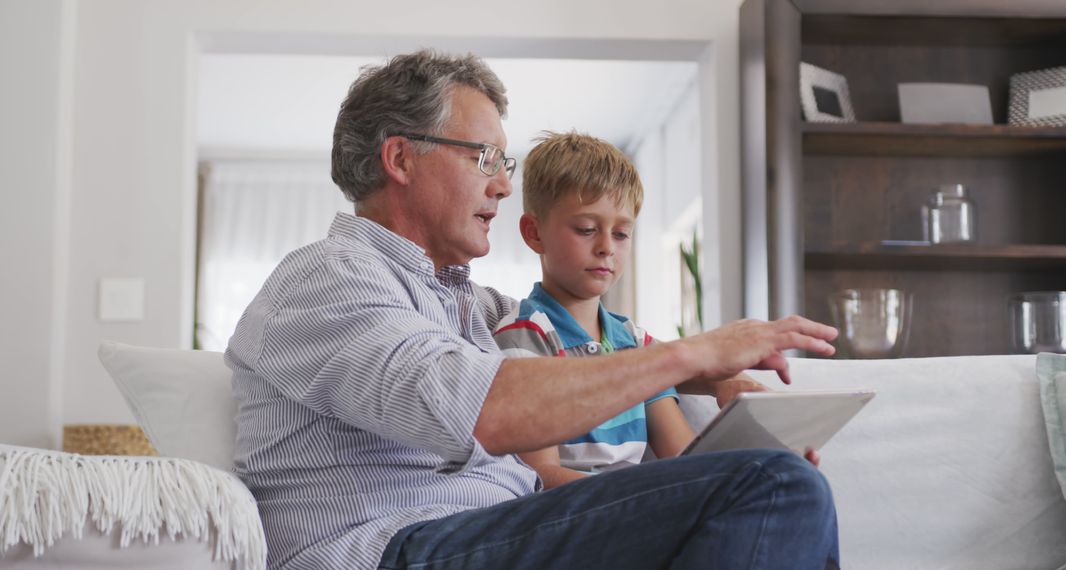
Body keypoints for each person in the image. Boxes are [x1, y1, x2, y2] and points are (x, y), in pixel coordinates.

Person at [227, 49, 842, 570]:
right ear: (401, 158)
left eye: (505, 164)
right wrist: (693, 350)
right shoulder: (328, 278)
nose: (500, 185)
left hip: (491, 531)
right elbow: (490, 407)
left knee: (774, 484)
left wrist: (719, 381)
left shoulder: (469, 305)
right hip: (398, 547)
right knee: (773, 485)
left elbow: (582, 346)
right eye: (484, 158)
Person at [493, 131, 700, 487]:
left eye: (621, 234)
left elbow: (686, 459)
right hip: (578, 516)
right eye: (587, 229)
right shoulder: (526, 337)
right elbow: (541, 476)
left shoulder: (634, 343)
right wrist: (644, 495)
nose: (607, 247)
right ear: (534, 233)